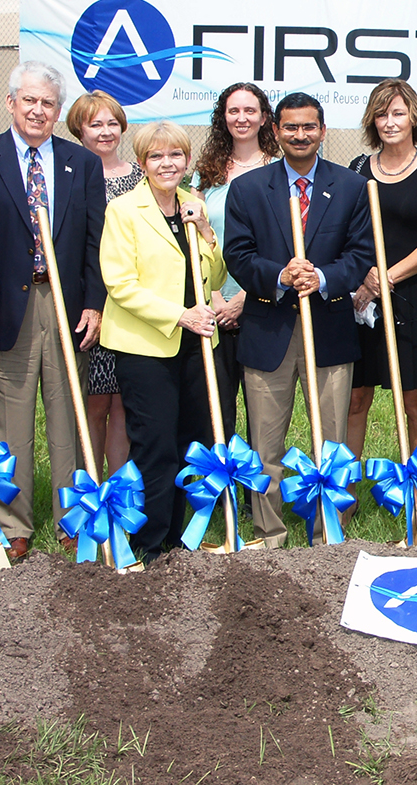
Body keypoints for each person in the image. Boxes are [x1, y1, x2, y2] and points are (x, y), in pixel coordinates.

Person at [0, 61, 106, 561]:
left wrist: (94, 304)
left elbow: (93, 239)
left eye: (47, 104)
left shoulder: (80, 163)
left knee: (69, 418)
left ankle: (71, 519)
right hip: (3, 309)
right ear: (10, 102)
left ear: (58, 112)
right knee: (7, 420)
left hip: (64, 305)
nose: (38, 110)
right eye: (29, 101)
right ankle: (11, 525)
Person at [223, 91, 374, 544]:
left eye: (309, 127)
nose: (300, 135)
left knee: (331, 441)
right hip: (269, 330)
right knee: (265, 444)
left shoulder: (349, 187)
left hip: (327, 330)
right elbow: (238, 255)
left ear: (323, 131)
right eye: (291, 127)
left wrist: (323, 278)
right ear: (276, 131)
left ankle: (329, 529)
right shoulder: (249, 189)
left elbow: (361, 253)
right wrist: (282, 275)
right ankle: (268, 531)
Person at [99, 121, 224, 563]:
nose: (167, 163)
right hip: (146, 345)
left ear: (187, 161)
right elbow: (120, 284)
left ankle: (177, 539)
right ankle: (149, 543)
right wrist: (179, 315)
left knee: (191, 439)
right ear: (142, 163)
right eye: (156, 156)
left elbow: (215, 275)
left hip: (194, 345)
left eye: (175, 155)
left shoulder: (193, 205)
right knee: (155, 445)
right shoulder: (124, 210)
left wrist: (208, 234)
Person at [346, 78, 417, 460]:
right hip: (362, 297)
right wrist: (366, 280)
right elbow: (345, 230)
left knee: (415, 402)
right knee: (356, 398)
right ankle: (346, 493)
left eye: (398, 113)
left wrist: (386, 277)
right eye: (381, 114)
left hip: (415, 297)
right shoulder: (358, 169)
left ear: (413, 118)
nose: (389, 122)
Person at [195, 83, 280, 439]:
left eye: (250, 110)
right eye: (234, 111)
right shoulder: (206, 173)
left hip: (262, 305)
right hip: (214, 309)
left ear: (264, 117)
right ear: (223, 117)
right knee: (218, 412)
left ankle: (258, 494)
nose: (241, 118)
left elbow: (284, 243)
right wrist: (215, 297)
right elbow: (199, 236)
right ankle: (222, 491)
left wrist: (246, 298)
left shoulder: (280, 170)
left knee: (264, 417)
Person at [70, 91, 140, 476]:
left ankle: (117, 490)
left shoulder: (139, 177)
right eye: (95, 124)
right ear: (79, 129)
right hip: (92, 303)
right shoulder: (72, 175)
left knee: (122, 405)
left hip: (131, 307)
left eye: (112, 122)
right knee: (94, 403)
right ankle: (88, 486)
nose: (106, 131)